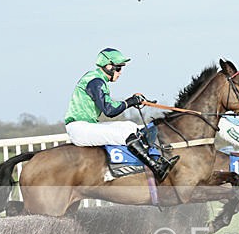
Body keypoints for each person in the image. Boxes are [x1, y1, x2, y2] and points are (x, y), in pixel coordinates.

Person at [64, 47, 178, 182]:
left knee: (130, 127)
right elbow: (109, 111)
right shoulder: (96, 82)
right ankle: (156, 168)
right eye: (118, 68)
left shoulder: (97, 79)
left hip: (86, 125)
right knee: (126, 135)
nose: (120, 72)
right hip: (80, 128)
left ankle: (154, 158)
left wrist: (132, 101)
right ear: (108, 67)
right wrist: (130, 101)